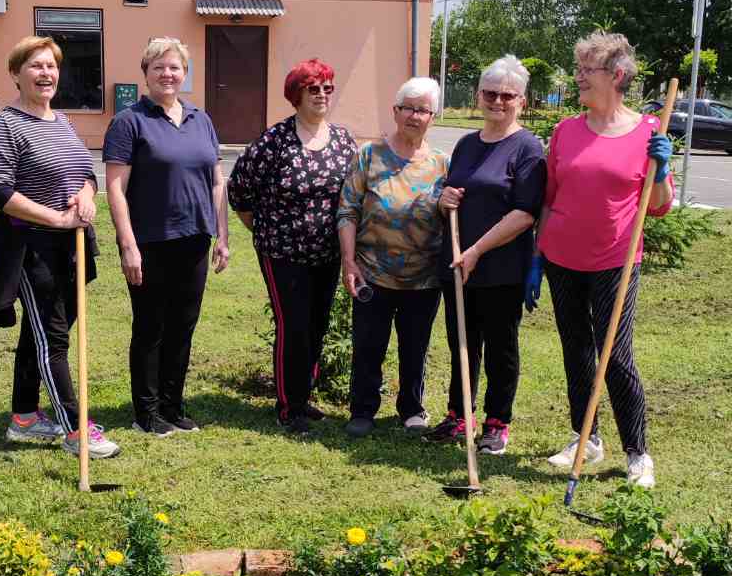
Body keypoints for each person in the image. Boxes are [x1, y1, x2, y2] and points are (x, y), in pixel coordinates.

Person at [528, 31, 673, 488]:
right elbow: (550, 198)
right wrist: (537, 256)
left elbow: (659, 206)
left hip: (616, 260)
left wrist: (662, 170)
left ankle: (637, 452)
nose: (578, 78)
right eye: (578, 69)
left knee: (616, 355)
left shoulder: (648, 132)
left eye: (586, 70)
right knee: (576, 350)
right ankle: (586, 438)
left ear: (617, 75)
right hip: (561, 257)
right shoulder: (566, 131)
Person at [0, 35, 119, 459]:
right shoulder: (4, 125)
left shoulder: (62, 122)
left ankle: (24, 418)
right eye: (36, 65)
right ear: (15, 74)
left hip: (71, 246)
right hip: (32, 247)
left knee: (38, 334)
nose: (46, 73)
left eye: (51, 66)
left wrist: (87, 196)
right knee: (52, 340)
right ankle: (76, 430)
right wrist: (57, 218)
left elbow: (85, 173)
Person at [102, 37, 229, 436]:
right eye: (158, 67)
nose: (167, 74)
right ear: (146, 73)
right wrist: (127, 244)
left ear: (184, 73)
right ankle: (147, 412)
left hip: (195, 240)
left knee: (182, 326)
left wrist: (222, 235)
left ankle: (173, 406)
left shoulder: (201, 119)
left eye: (174, 67)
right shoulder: (130, 121)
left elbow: (216, 181)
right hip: (150, 242)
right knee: (151, 327)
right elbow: (115, 188)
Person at [227, 58, 359, 435]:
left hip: (327, 252)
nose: (321, 95)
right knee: (294, 325)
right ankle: (289, 406)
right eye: (312, 89)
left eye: (327, 88)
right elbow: (239, 191)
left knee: (317, 325)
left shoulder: (343, 141)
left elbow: (354, 194)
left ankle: (304, 394)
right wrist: (264, 229)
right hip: (282, 252)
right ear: (296, 95)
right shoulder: (274, 141)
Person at [429, 54, 546, 455]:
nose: (498, 101)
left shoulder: (528, 147)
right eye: (490, 93)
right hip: (457, 263)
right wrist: (443, 200)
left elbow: (525, 212)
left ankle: (497, 423)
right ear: (479, 96)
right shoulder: (466, 144)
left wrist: (477, 250)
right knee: (461, 342)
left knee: (500, 346)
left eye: (507, 96)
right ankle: (460, 415)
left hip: (500, 267)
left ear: (521, 102)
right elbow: (451, 196)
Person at [337, 76, 447, 437]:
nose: (414, 116)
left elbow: (451, 216)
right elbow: (347, 210)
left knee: (415, 347)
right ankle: (362, 409)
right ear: (395, 111)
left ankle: (412, 409)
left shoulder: (442, 164)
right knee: (368, 345)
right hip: (372, 272)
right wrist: (349, 261)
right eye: (408, 108)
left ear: (432, 117)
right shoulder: (369, 155)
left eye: (422, 110)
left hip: (424, 277)